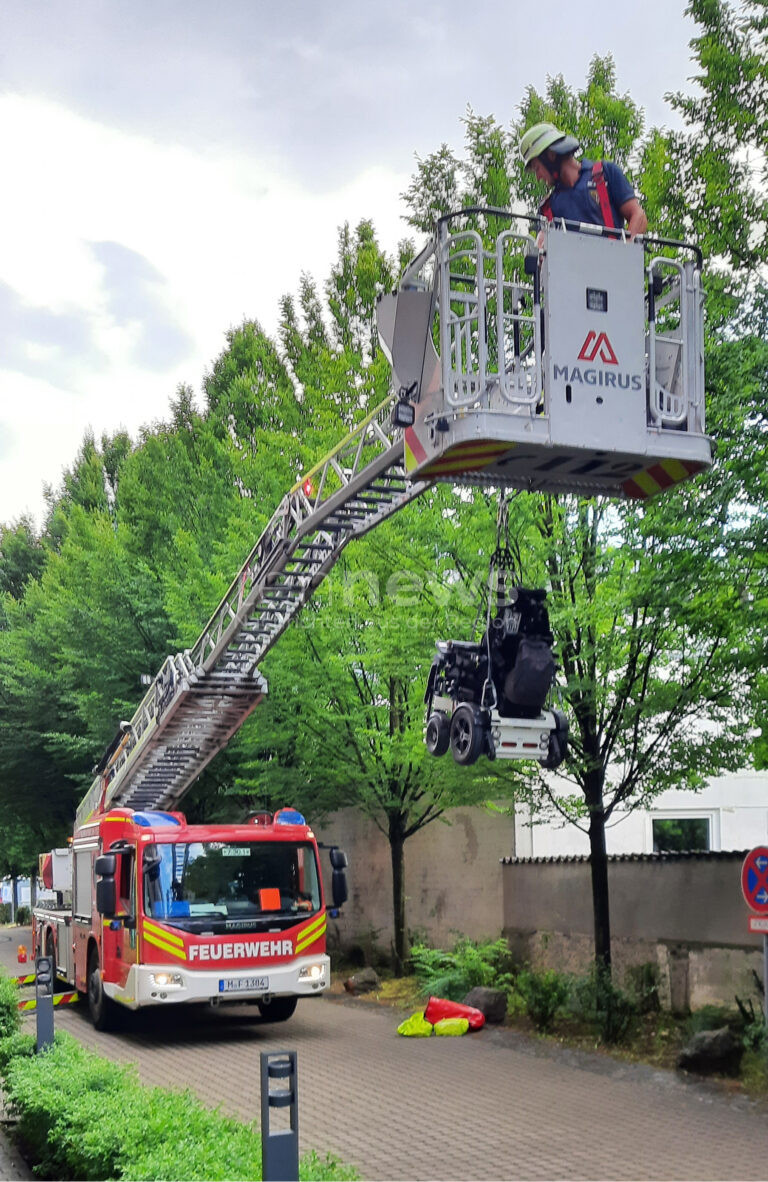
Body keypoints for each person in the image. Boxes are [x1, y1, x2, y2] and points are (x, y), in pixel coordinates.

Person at [519, 122, 648, 239]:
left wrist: (625, 255)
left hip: (612, 261)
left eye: (537, 168)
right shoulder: (549, 207)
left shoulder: (605, 174)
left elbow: (638, 215)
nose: (538, 177)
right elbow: (542, 247)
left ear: (551, 156)